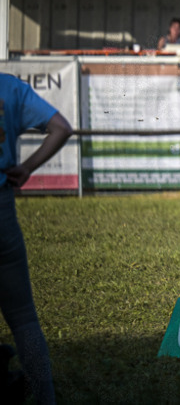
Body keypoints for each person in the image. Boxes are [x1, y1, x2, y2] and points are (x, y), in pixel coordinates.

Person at [0, 74, 73, 405]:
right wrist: (26, 167)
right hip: (3, 214)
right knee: (24, 318)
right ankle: (46, 399)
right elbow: (61, 128)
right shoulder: (11, 88)